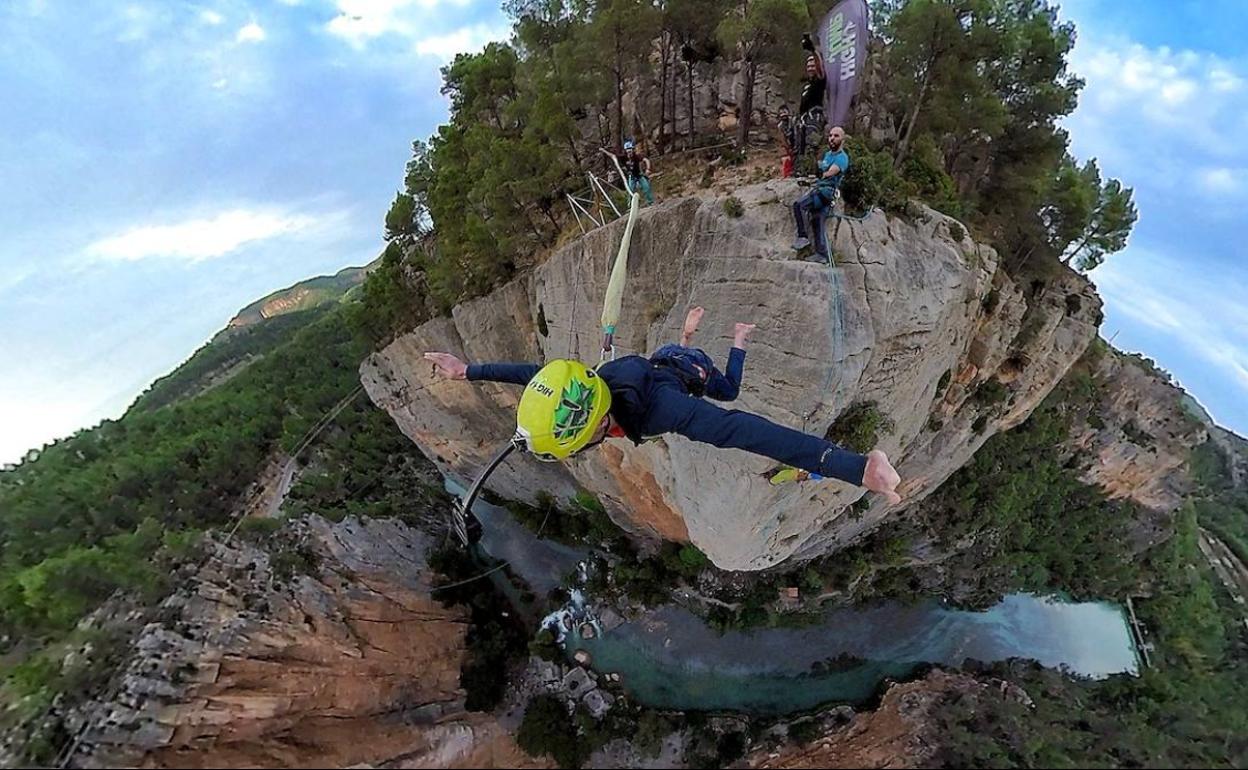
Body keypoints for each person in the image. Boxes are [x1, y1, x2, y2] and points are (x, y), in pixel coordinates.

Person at [422, 306, 903, 504]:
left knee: (730, 391)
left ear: (595, 425)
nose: (588, 447)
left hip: (687, 371)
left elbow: (748, 431)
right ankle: (689, 335)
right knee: (676, 359)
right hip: (664, 361)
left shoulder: (667, 413)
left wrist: (854, 468)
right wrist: (467, 371)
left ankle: (730, 339)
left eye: (584, 441)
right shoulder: (588, 381)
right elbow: (533, 374)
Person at [791, 125, 849, 264]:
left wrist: (822, 170)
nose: (832, 139)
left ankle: (803, 236)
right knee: (817, 220)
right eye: (830, 136)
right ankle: (822, 254)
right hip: (823, 191)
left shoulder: (842, 158)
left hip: (826, 193)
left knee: (799, 205)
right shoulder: (829, 155)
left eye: (836, 136)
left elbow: (829, 172)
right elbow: (822, 168)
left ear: (843, 139)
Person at [794, 34, 827, 162]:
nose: (810, 68)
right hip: (803, 119)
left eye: (812, 65)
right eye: (808, 66)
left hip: (814, 118)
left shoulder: (819, 81)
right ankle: (800, 171)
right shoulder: (807, 84)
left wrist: (813, 50)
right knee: (799, 149)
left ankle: (811, 172)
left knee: (811, 146)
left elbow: (820, 70)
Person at [619, 139, 654, 205]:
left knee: (646, 187)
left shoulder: (636, 156)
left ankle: (650, 202)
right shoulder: (623, 158)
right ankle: (630, 205)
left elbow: (646, 160)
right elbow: (614, 155)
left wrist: (648, 169)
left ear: (632, 149)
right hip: (631, 176)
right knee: (630, 190)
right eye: (627, 149)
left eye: (630, 149)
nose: (629, 151)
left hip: (639, 175)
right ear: (625, 151)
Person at [776, 105, 796, 179]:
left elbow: (798, 135)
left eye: (785, 112)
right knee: (787, 160)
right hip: (789, 145)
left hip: (797, 142)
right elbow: (783, 139)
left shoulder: (793, 121)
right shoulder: (780, 126)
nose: (783, 114)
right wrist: (788, 148)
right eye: (781, 113)